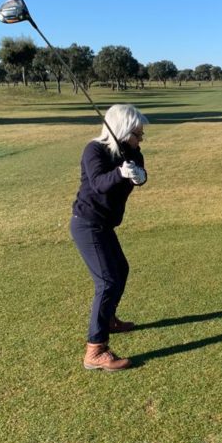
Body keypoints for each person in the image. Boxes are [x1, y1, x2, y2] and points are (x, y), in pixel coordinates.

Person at [70, 104, 148, 371]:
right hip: (87, 224)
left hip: (105, 225)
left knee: (121, 271)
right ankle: (95, 349)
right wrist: (121, 173)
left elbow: (139, 176)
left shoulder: (132, 153)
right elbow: (100, 184)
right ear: (123, 130)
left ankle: (109, 319)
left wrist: (140, 176)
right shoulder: (94, 150)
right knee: (107, 281)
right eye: (138, 133)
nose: (141, 138)